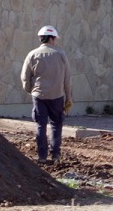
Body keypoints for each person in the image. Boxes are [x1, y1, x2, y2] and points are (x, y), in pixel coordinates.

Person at [20, 25, 73, 165]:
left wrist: (31, 90)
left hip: (39, 96)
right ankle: (55, 155)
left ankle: (42, 156)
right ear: (52, 38)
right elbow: (67, 78)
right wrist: (69, 97)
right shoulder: (61, 54)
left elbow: (25, 77)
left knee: (40, 125)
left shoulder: (32, 54)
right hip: (57, 96)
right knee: (56, 124)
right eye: (55, 38)